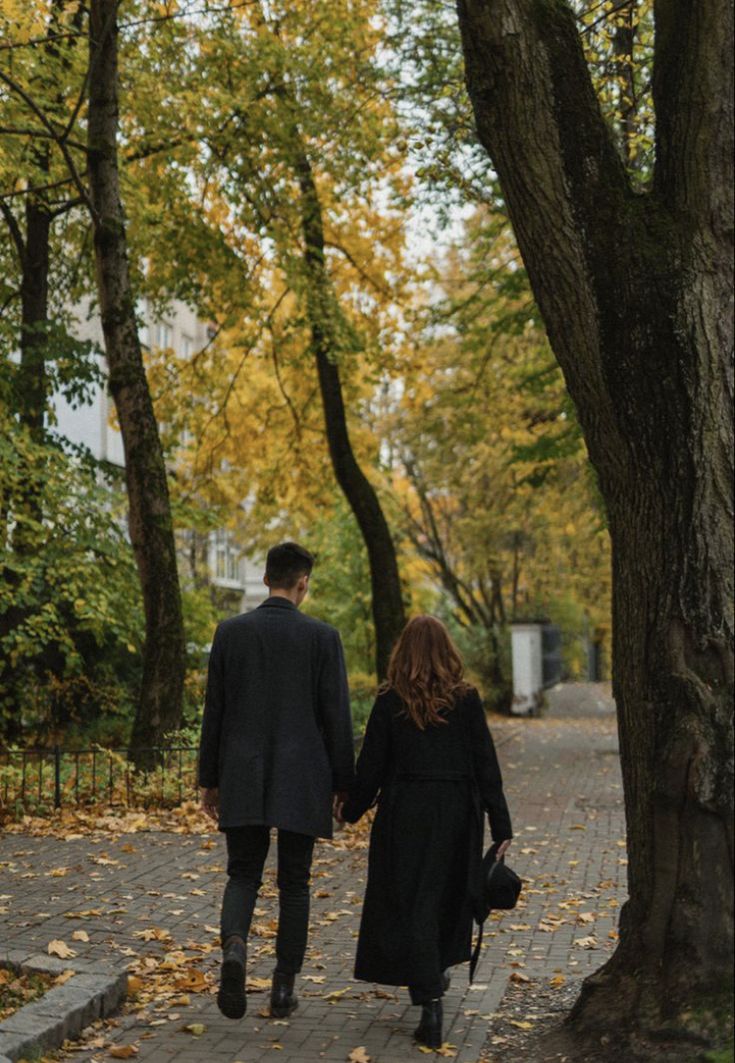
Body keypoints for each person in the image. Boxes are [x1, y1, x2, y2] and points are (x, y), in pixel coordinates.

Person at [336, 615, 512, 1050]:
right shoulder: (466, 700)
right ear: (446, 652)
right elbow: (486, 766)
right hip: (456, 813)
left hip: (406, 813)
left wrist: (350, 810)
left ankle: (429, 1001)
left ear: (404, 653)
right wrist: (501, 825)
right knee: (446, 898)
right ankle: (433, 982)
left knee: (413, 900)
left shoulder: (390, 700)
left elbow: (371, 767)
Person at [198, 541, 355, 1021]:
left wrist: (209, 780)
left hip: (242, 772)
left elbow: (215, 713)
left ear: (266, 579)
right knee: (295, 883)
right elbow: (337, 718)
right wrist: (343, 784)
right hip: (302, 776)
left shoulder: (230, 633)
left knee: (242, 873)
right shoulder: (323, 638)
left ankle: (235, 950)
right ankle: (284, 988)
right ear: (302, 582)